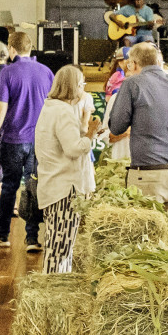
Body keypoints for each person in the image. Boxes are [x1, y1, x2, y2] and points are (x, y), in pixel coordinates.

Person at [105, 41, 168, 240]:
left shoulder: (131, 84)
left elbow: (116, 126)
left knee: (146, 241)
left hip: (148, 173)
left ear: (134, 64)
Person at [0, 30, 52, 246]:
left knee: (9, 186)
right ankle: (32, 237)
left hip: (13, 139)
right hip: (39, 141)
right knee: (34, 187)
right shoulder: (46, 72)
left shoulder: (8, 73)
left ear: (11, 49)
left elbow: (0, 108)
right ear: (30, 47)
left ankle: (3, 233)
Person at [34, 64, 102, 272]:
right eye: (82, 84)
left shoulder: (51, 107)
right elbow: (73, 149)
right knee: (61, 248)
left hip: (54, 185)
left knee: (57, 245)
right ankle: (53, 292)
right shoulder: (63, 112)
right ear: (74, 86)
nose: (84, 88)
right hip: (64, 190)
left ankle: (52, 289)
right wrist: (90, 134)